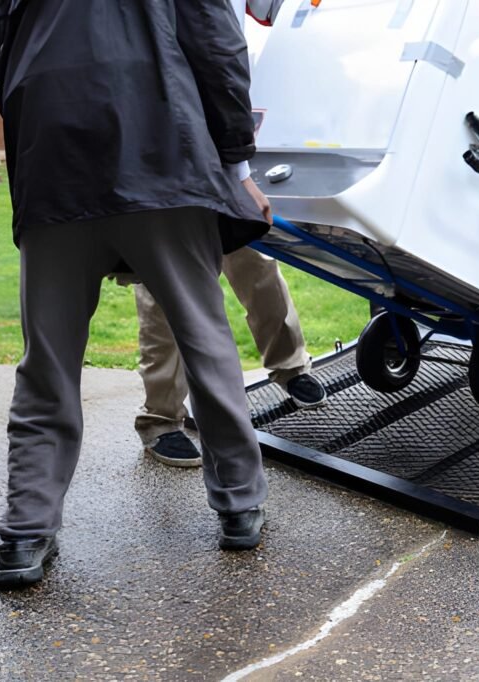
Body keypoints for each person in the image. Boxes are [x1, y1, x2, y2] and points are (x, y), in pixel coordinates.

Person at [0, 0, 273, 590]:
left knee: (48, 357)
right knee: (203, 337)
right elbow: (216, 41)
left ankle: (26, 529)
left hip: (54, 154)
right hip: (161, 142)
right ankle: (240, 504)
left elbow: (2, 50)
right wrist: (237, 162)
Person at [135, 0, 327, 468]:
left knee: (253, 259)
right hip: (155, 131)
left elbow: (268, 13)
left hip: (222, 135)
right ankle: (160, 418)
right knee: (162, 286)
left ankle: (289, 364)